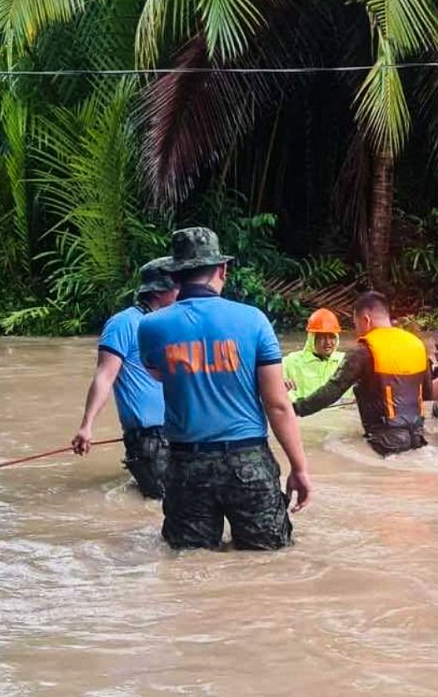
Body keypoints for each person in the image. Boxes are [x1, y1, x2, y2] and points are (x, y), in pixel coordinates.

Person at [137, 227, 312, 550]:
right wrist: (299, 467)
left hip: (186, 464)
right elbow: (277, 404)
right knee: (268, 559)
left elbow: (159, 375)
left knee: (190, 563)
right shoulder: (254, 320)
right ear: (222, 270)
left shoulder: (150, 326)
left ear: (176, 277)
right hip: (248, 461)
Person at [70, 256, 178, 499]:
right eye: (177, 287)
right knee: (163, 503)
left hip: (178, 433)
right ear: (159, 293)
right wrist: (86, 426)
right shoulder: (124, 323)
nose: (182, 292)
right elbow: (104, 376)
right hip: (150, 439)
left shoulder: (172, 324)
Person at [293, 292, 432, 455]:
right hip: (418, 438)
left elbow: (332, 391)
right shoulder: (418, 346)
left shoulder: (364, 351)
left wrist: (295, 409)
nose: (357, 331)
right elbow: (428, 393)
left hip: (385, 442)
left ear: (365, 320)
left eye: (355, 324)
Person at [283, 308, 348, 403]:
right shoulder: (291, 361)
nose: (328, 342)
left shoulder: (344, 362)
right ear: (312, 338)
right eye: (323, 337)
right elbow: (271, 383)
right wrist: (281, 383)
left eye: (331, 337)